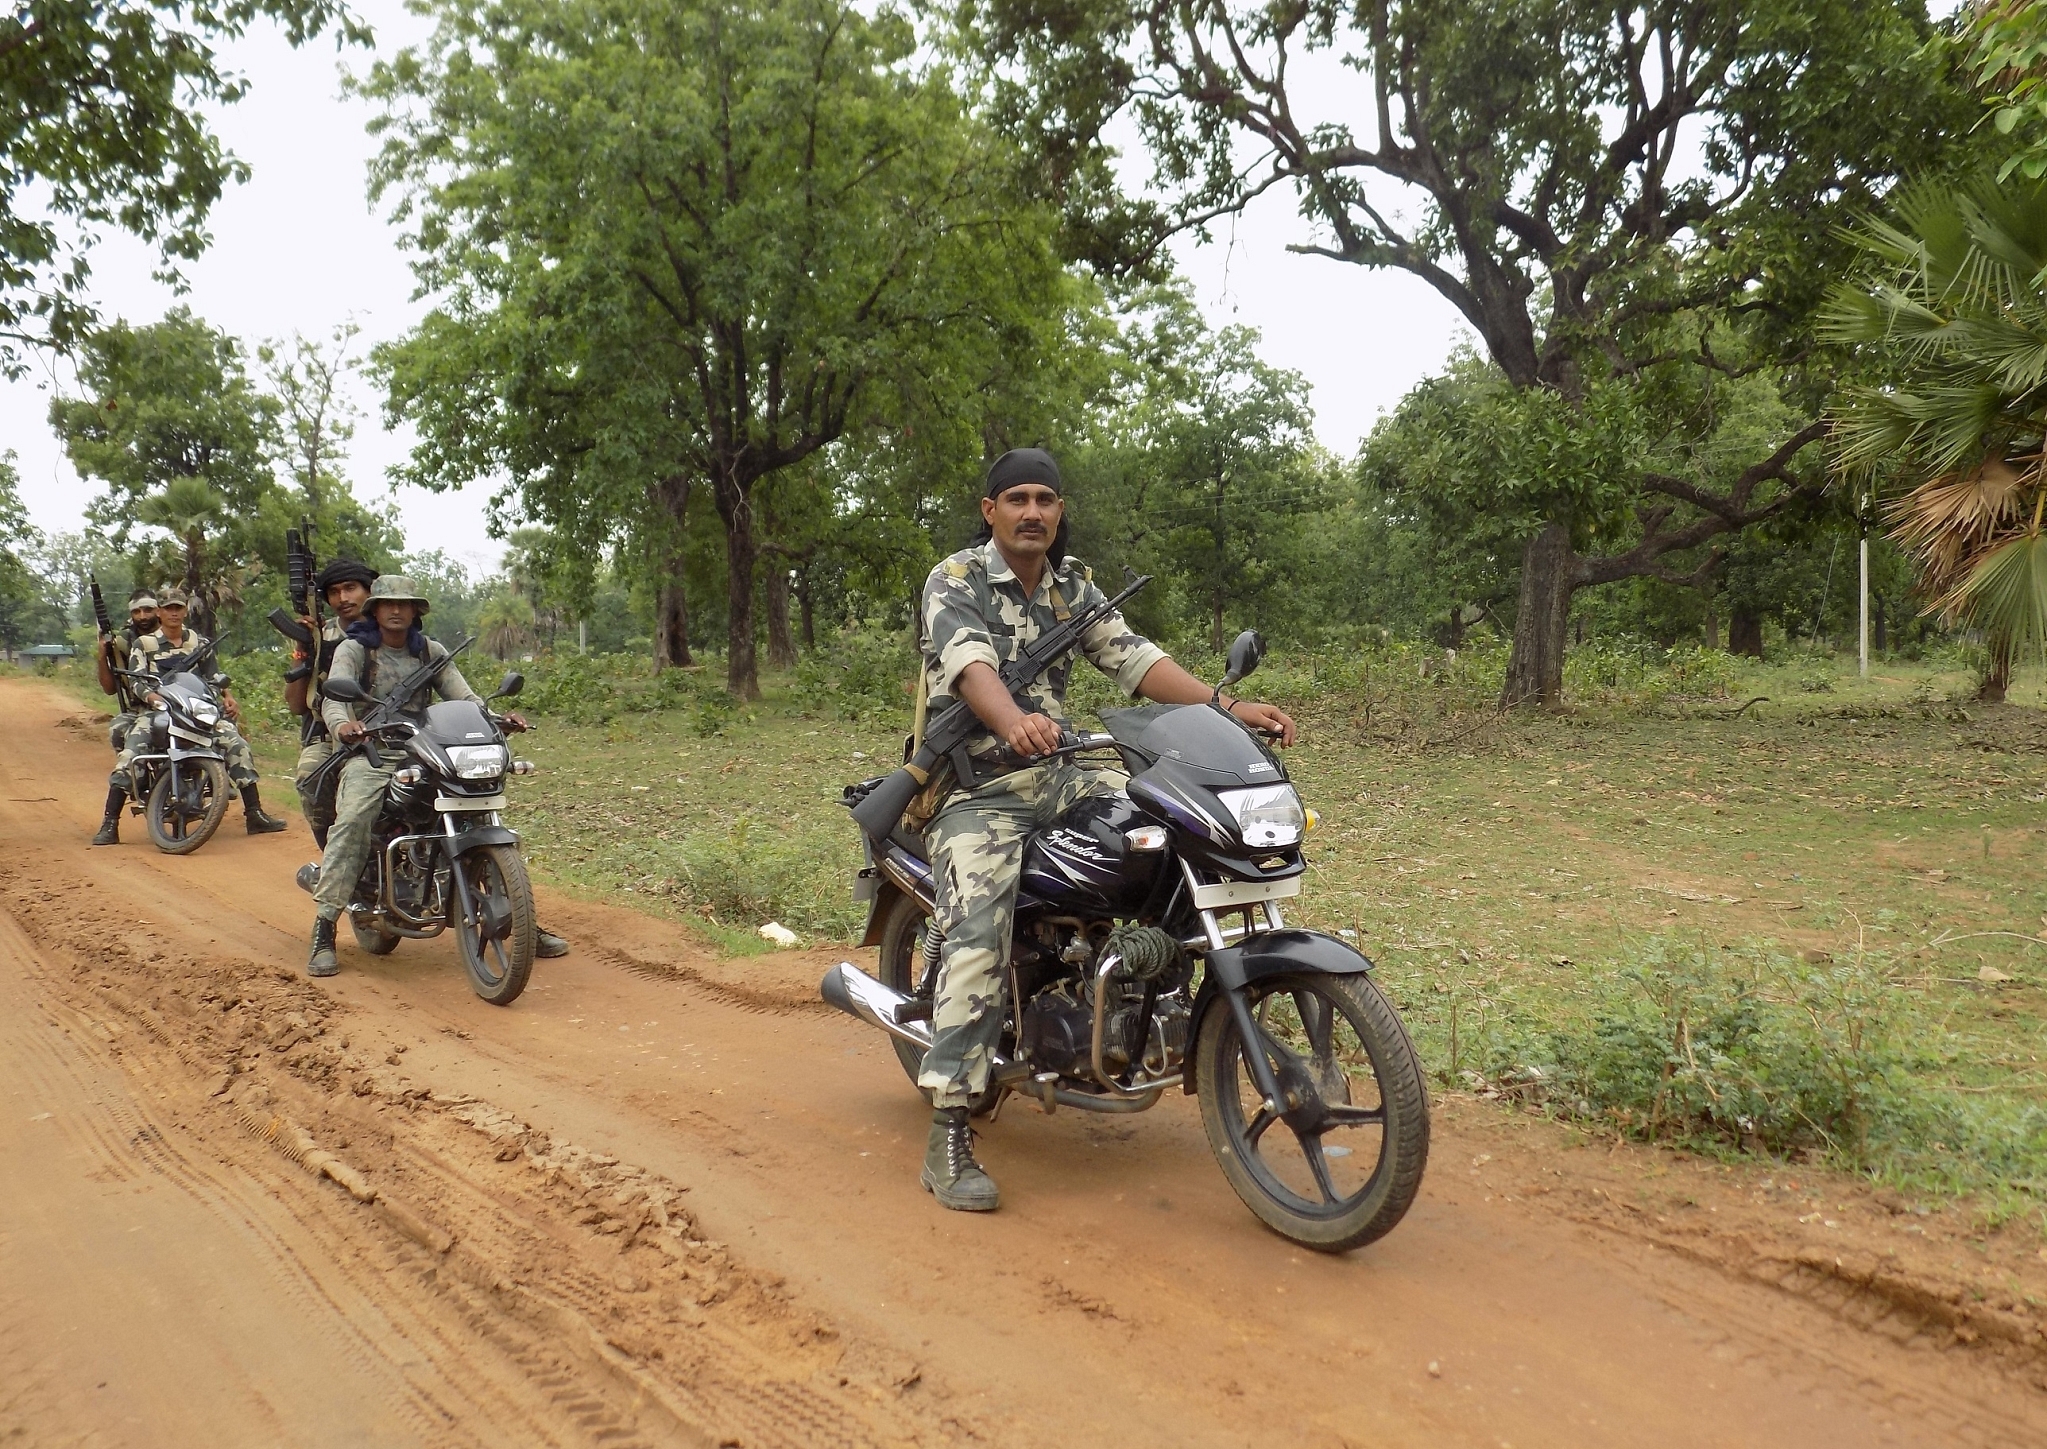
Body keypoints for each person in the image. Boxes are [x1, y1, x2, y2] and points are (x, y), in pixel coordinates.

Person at [912, 448, 1297, 1212]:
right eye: (1016, 498)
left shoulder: (1073, 582)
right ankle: (950, 1125)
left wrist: (1223, 709)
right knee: (977, 931)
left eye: (1045, 499)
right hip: (977, 787)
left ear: (1058, 510)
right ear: (989, 510)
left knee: (1176, 831)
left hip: (1066, 770)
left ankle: (1150, 988)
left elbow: (1133, 659)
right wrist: (1013, 720)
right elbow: (970, 668)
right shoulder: (954, 579)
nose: (1032, 511)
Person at [291, 565, 572, 962]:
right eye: (387, 604)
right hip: (372, 751)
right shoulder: (355, 650)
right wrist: (343, 727)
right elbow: (334, 697)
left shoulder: (430, 651)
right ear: (374, 610)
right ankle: (324, 929)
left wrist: (496, 719)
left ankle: (522, 923)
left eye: (404, 606)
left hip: (423, 749)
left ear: (415, 612)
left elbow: (465, 697)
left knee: (475, 810)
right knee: (353, 819)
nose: (396, 612)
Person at [92, 588, 288, 844]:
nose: (174, 613)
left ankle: (254, 813)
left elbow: (213, 678)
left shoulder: (200, 643)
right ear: (160, 612)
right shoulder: (144, 644)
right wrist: (153, 698)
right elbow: (136, 682)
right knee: (133, 753)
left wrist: (228, 697)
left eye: (178, 608)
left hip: (195, 713)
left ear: (185, 610)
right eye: (168, 608)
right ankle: (110, 823)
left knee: (235, 742)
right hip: (157, 713)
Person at [284, 558, 377, 847]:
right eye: (334, 592)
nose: (343, 598)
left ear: (369, 591)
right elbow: (297, 706)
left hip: (390, 733)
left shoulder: (392, 630)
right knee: (311, 774)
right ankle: (333, 855)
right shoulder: (320, 638)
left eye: (351, 588)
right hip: (330, 737)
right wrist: (304, 649)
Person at [96, 588, 160, 751]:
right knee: (118, 730)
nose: (142, 616)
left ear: (158, 610)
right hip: (141, 708)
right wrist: (103, 656)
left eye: (147, 610)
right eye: (136, 611)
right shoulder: (123, 642)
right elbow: (110, 689)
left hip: (180, 704)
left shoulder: (175, 633)